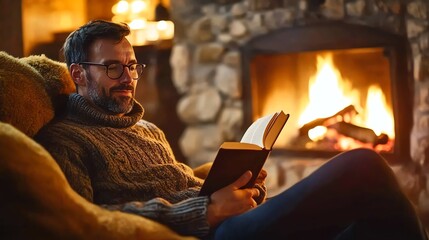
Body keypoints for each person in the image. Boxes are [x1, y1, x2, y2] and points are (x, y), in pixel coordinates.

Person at [35, 19, 426, 240]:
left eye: (132, 66)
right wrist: (205, 210)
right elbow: (86, 220)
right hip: (208, 235)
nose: (128, 78)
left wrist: (239, 187)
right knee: (361, 166)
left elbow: (180, 183)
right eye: (112, 68)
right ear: (78, 74)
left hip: (226, 223)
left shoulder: (147, 129)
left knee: (368, 226)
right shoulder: (64, 140)